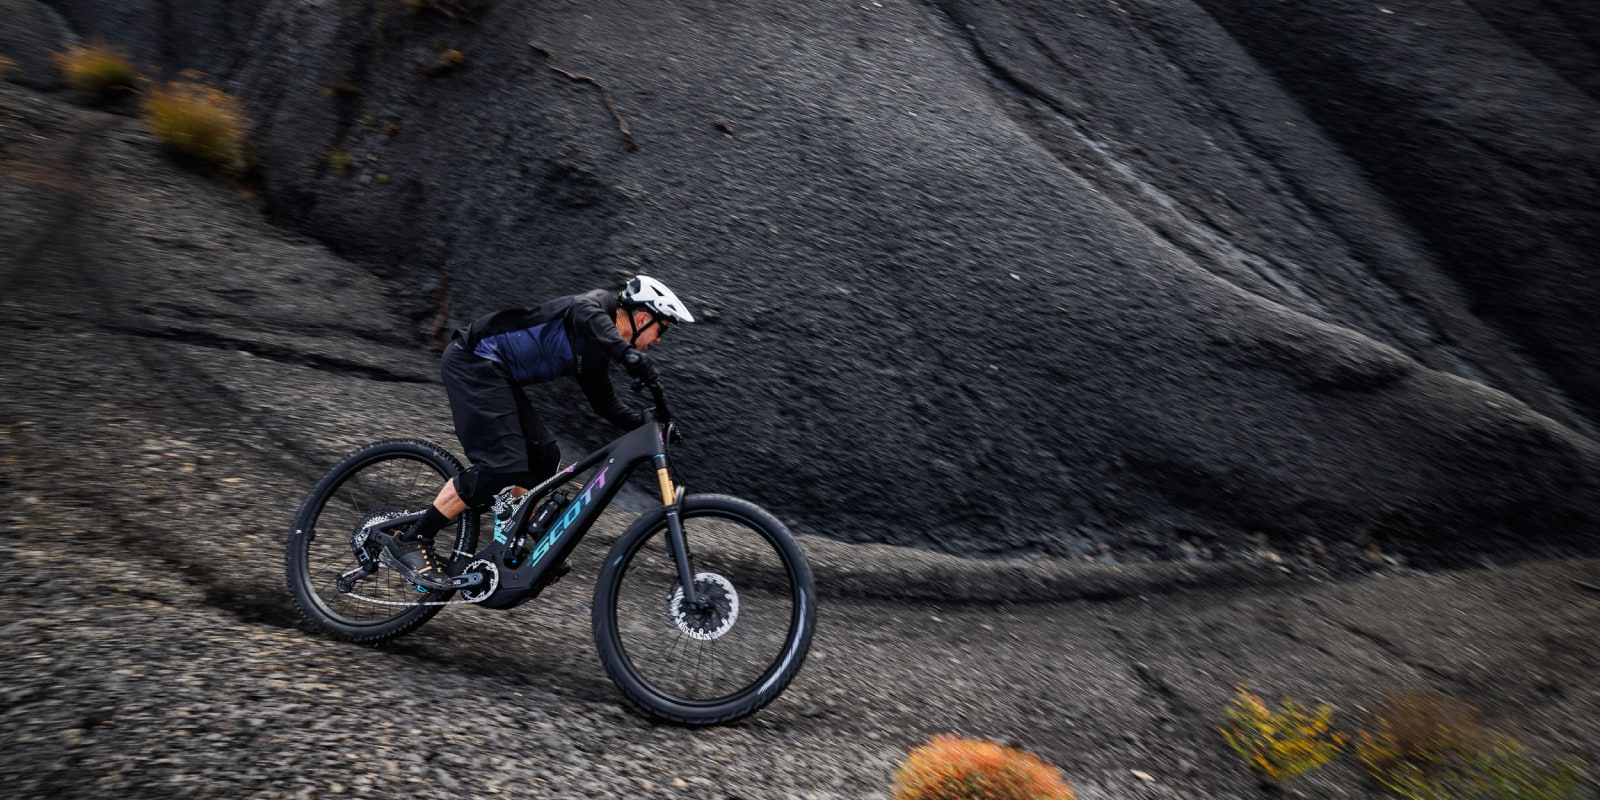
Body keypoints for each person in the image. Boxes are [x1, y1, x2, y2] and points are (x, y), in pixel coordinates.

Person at [381, 275, 695, 589]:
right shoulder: (594, 307)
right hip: (472, 361)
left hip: (498, 376)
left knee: (545, 456)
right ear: (643, 317)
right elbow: (586, 313)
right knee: (503, 465)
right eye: (661, 329)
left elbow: (606, 405)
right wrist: (627, 355)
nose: (658, 340)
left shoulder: (596, 353)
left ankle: (509, 536)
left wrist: (653, 426)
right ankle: (412, 539)